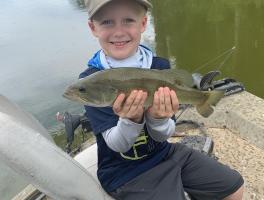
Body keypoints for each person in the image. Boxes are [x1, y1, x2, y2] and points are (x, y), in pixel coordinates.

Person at [80, 0, 244, 199]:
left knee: (234, 187)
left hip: (164, 153)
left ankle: (203, 100)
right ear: (92, 27)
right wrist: (131, 120)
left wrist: (158, 118)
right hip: (124, 173)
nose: (119, 31)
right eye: (107, 22)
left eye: (128, 20)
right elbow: (118, 145)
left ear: (142, 24)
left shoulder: (159, 66)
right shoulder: (91, 83)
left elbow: (163, 135)